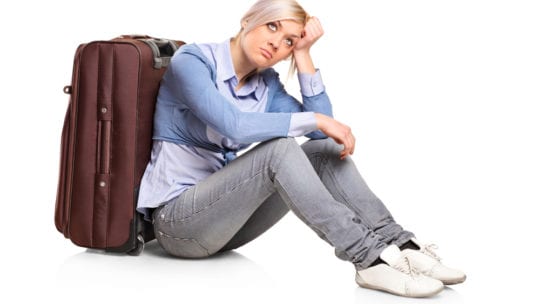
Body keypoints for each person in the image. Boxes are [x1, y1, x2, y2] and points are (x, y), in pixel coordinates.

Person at [137, 0, 466, 298]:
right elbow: (233, 125)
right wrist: (318, 121)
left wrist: (305, 55)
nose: (276, 43)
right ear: (249, 19)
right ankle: (368, 258)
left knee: (322, 150)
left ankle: (399, 244)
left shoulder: (266, 86)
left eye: (289, 42)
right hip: (177, 224)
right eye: (273, 26)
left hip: (225, 227)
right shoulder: (192, 60)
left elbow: (328, 139)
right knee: (279, 149)